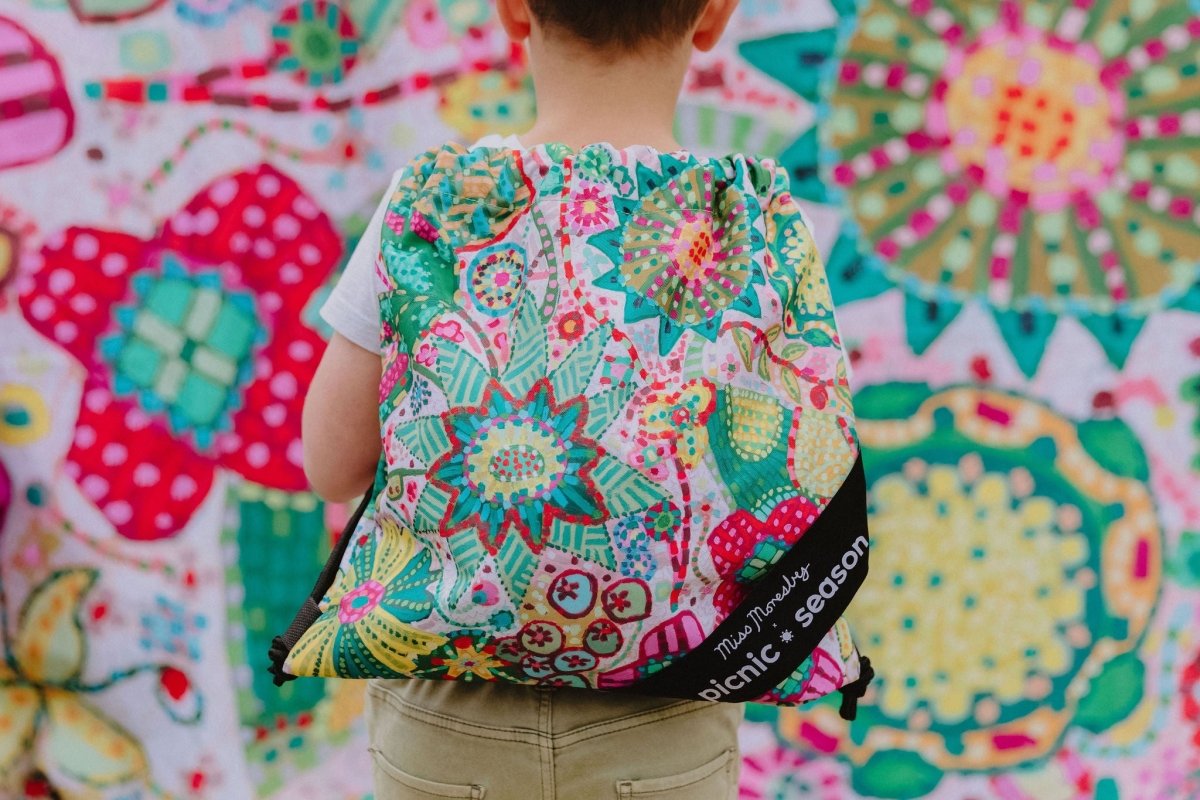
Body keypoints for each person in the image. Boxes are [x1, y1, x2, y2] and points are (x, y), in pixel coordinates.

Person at [302, 1, 855, 797]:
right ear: (713, 16)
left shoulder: (430, 204)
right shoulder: (753, 222)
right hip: (668, 720)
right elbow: (811, 471)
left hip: (446, 720)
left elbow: (331, 464)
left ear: (513, 11)